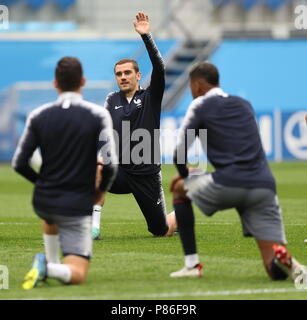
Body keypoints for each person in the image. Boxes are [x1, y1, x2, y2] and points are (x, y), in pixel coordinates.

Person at [169, 61, 306, 280]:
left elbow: (179, 152)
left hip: (228, 182)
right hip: (263, 186)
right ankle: (292, 264)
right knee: (273, 268)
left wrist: (185, 174)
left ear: (196, 85)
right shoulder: (243, 104)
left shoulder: (200, 105)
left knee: (178, 189)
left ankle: (192, 265)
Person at [12, 57, 117, 289]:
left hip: (44, 201)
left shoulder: (38, 115)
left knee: (50, 212)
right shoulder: (98, 115)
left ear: (55, 84)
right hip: (77, 202)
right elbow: (110, 165)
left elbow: (19, 163)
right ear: (83, 81)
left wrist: (41, 183)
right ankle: (48, 267)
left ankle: (50, 260)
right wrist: (99, 191)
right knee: (78, 274)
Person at [91, 12, 176, 240]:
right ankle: (93, 227)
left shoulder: (151, 97)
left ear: (138, 75)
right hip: (120, 171)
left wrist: (146, 36)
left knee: (161, 230)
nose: (123, 77)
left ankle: (184, 208)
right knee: (95, 170)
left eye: (128, 72)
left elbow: (160, 69)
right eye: (119, 74)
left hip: (146, 174)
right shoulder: (112, 99)